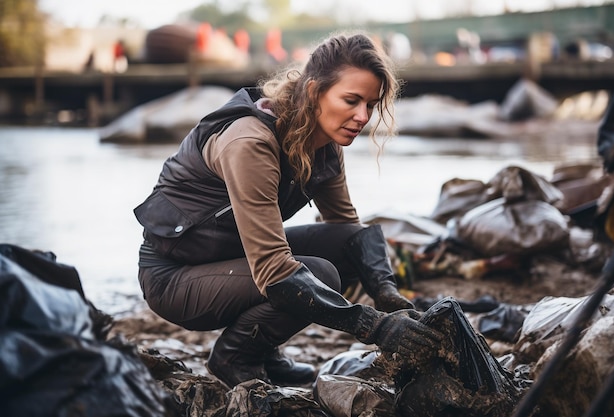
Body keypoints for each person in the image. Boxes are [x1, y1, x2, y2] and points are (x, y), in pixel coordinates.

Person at [133, 32, 443, 389]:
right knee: (320, 274)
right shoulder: (250, 143)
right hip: (175, 277)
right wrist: (374, 327)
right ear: (314, 92)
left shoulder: (324, 143)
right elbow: (274, 270)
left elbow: (347, 232)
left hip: (235, 256)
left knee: (353, 245)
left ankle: (262, 345)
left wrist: (386, 294)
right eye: (351, 100)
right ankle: (236, 356)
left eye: (371, 105)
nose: (362, 117)